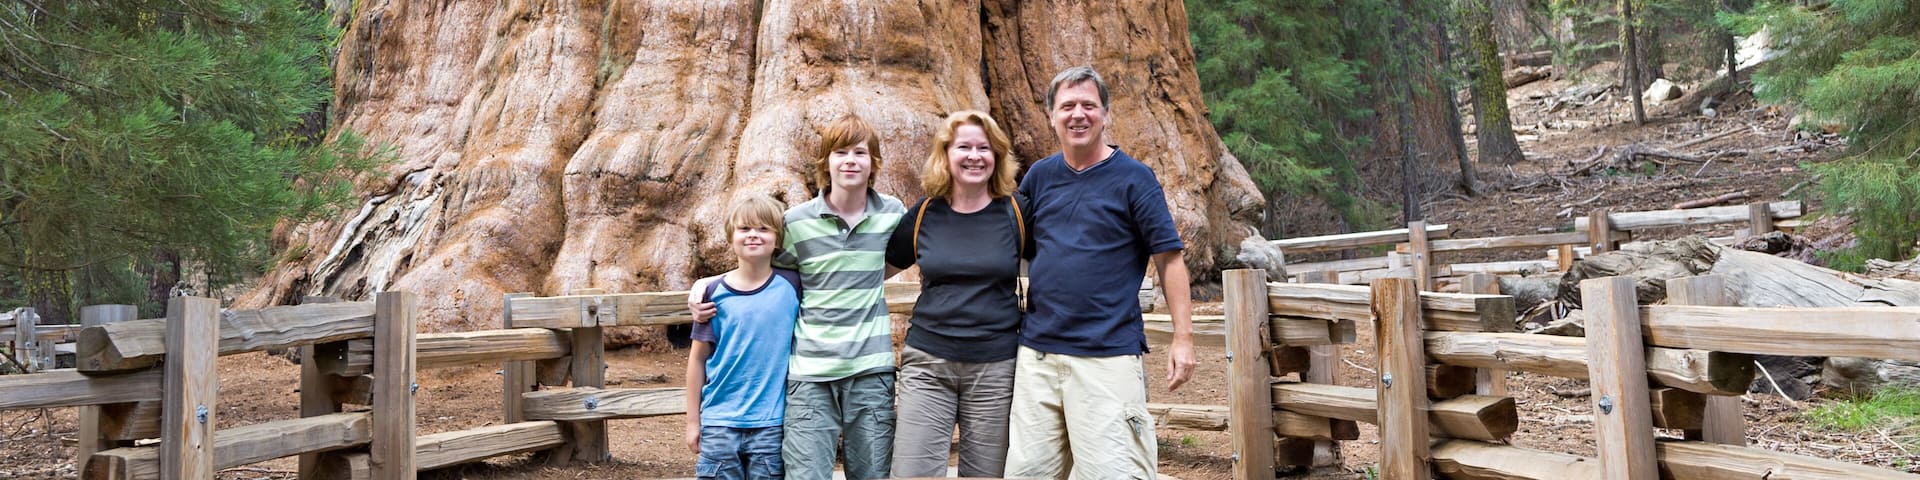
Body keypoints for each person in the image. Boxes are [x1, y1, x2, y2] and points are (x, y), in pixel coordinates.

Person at [1005, 66, 1197, 479]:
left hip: (1106, 355)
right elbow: (1010, 241)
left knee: (1113, 472)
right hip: (1038, 354)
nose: (1078, 114)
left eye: (1088, 105)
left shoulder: (1134, 178)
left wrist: (1183, 338)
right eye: (1067, 106)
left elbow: (1169, 257)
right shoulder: (1039, 176)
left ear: (1105, 114)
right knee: (1028, 472)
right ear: (1051, 115)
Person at [693, 114, 906, 480]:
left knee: (872, 473)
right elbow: (760, 269)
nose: (850, 160)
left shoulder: (892, 213)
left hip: (871, 370)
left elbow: (891, 263)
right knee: (804, 474)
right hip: (810, 373)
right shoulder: (796, 222)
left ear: (874, 163)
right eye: (840, 152)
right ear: (826, 162)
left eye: (860, 152)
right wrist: (708, 283)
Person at [884, 111, 1029, 478]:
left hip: (995, 367)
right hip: (929, 364)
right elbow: (875, 271)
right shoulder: (924, 214)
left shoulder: (1016, 212)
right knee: (912, 472)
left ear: (997, 156)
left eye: (985, 148)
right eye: (963, 147)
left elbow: (1056, 267)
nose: (974, 156)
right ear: (946, 154)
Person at [684, 194, 801, 480]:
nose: (753, 235)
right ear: (730, 235)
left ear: (778, 238)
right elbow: (697, 360)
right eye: (744, 228)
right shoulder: (713, 295)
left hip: (770, 425)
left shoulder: (793, 285)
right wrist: (692, 422)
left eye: (763, 229)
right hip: (718, 423)